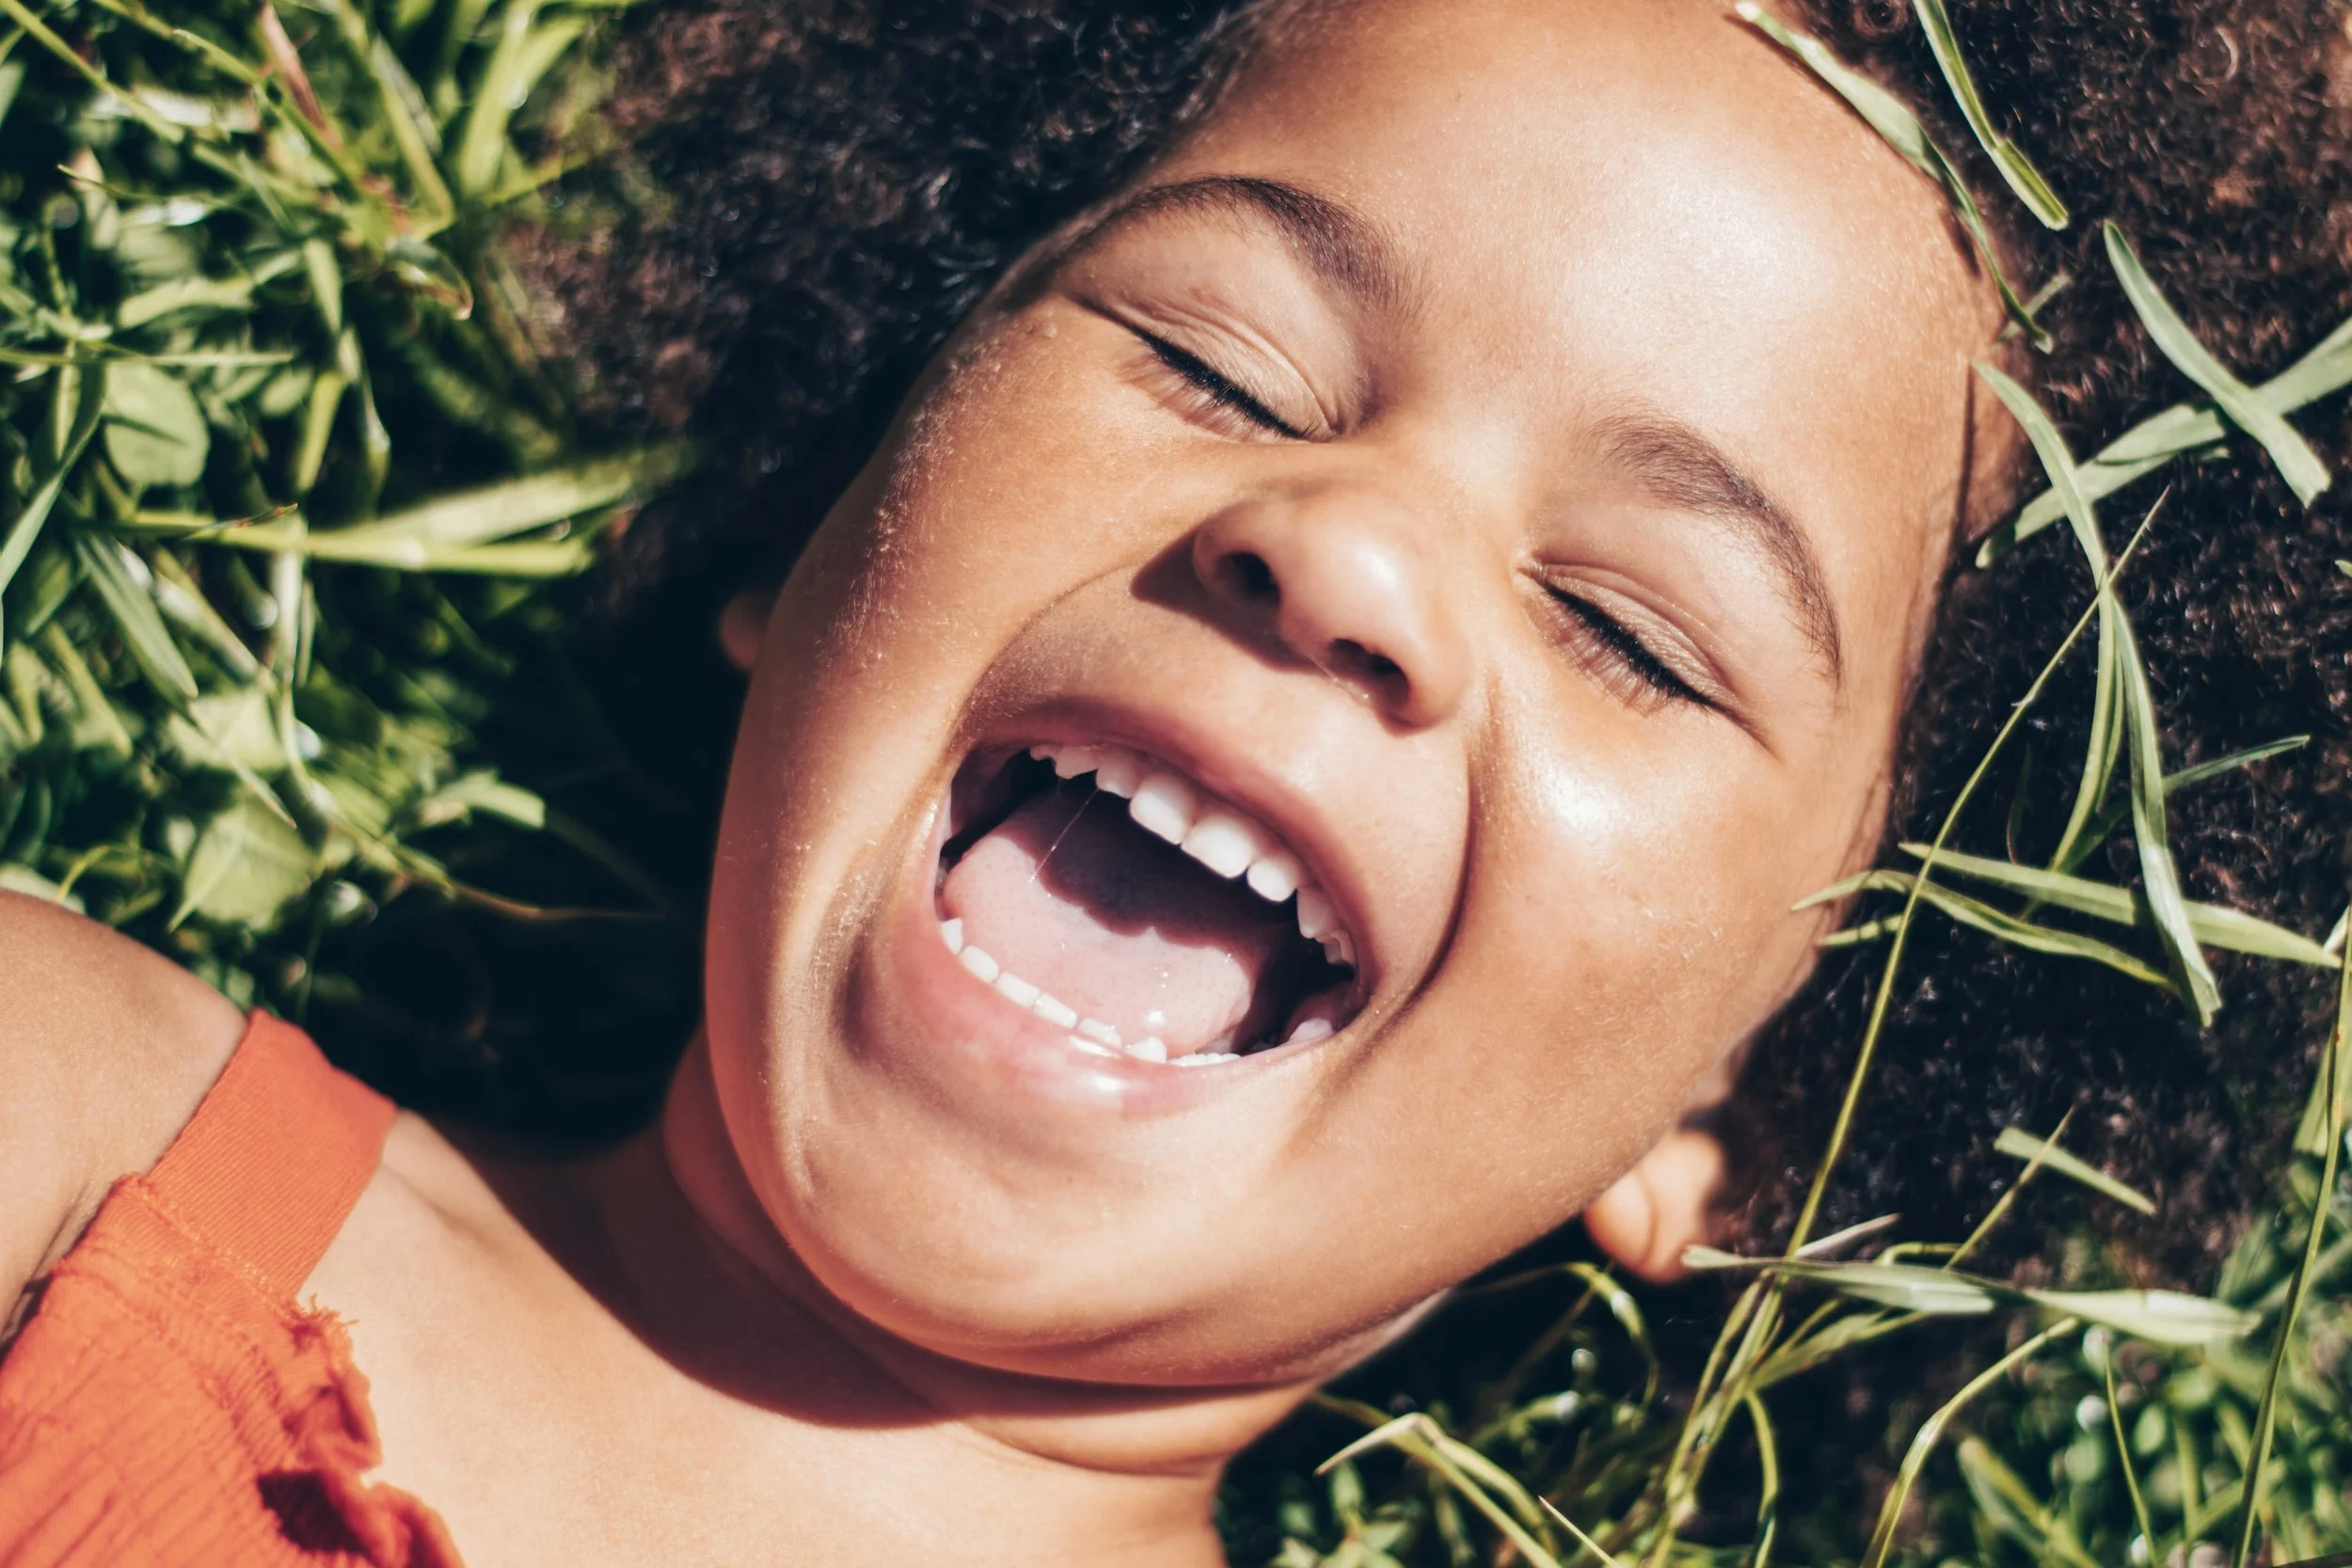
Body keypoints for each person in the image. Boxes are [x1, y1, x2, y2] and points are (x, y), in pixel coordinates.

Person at [1, 0, 2344, 1562]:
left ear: (1761, 1107)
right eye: (1217, 358)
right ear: (822, 502)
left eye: (1630, 630)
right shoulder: (66, 1128)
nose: (1345, 557)